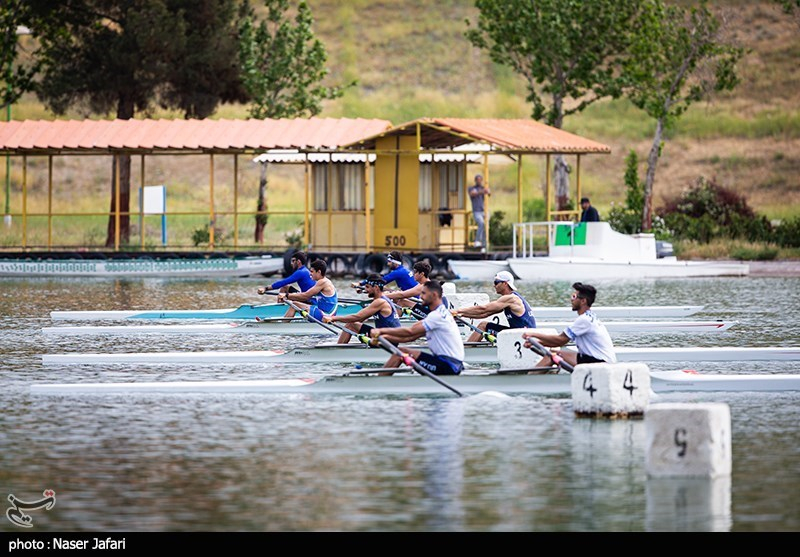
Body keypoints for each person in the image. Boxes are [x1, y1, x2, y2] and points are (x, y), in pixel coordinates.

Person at [369, 280, 464, 376]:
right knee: (403, 351)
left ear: (434, 295)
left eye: (423, 293)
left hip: (449, 365)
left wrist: (380, 331)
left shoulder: (437, 316)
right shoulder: (441, 313)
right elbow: (411, 338)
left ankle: (378, 384)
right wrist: (385, 338)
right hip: (451, 363)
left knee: (401, 353)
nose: (420, 297)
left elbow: (410, 332)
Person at [521, 282, 616, 371]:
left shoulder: (584, 320)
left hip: (601, 364)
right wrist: (536, 343)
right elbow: (559, 341)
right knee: (554, 353)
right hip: (598, 359)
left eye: (574, 297)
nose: (571, 299)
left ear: (583, 301)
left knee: (553, 355)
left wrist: (533, 334)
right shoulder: (589, 317)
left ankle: (529, 380)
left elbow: (560, 340)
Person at [452, 271, 536, 343]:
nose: (494, 285)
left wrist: (458, 311)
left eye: (496, 282)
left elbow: (483, 309)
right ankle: (469, 348)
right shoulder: (508, 299)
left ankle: (466, 352)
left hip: (524, 337)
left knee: (483, 326)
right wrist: (460, 315)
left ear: (505, 283)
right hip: (520, 334)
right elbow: (484, 314)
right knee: (483, 324)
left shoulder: (511, 298)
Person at [323, 274, 401, 344]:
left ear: (376, 287)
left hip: (389, 341)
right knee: (351, 324)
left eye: (367, 287)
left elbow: (357, 317)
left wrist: (333, 318)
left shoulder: (380, 302)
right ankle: (341, 348)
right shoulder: (382, 298)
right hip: (387, 337)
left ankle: (338, 352)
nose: (365, 290)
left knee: (351, 324)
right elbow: (361, 318)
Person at [351, 251, 416, 293]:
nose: (388, 264)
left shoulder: (398, 273)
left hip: (414, 299)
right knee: (388, 290)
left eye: (389, 262)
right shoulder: (403, 270)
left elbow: (380, 281)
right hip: (412, 295)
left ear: (395, 263)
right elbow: (382, 283)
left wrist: (360, 283)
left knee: (382, 290)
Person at [468, 174, 490, 249]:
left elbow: (489, 193)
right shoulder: (472, 188)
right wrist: (483, 192)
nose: (479, 181)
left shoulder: (483, 188)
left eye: (480, 180)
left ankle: (483, 244)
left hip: (483, 210)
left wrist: (487, 191)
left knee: (485, 226)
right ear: (475, 180)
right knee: (481, 223)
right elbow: (473, 194)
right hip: (476, 211)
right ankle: (477, 241)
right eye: (477, 180)